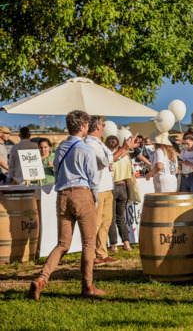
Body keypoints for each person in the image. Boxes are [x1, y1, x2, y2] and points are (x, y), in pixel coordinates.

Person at [28, 110, 103, 299]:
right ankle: (87, 286)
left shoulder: (60, 148)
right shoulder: (87, 149)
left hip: (62, 195)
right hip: (82, 193)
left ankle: (42, 278)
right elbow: (93, 179)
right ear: (83, 126)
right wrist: (94, 198)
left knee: (62, 244)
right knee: (88, 243)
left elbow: (58, 172)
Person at [85, 116, 133, 265]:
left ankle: (101, 253)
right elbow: (106, 161)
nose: (104, 127)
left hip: (107, 187)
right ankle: (91, 255)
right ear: (98, 127)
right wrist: (124, 148)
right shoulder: (89, 143)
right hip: (97, 188)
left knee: (106, 222)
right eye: (102, 124)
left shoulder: (99, 143)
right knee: (96, 223)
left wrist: (127, 148)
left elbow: (113, 158)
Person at [107, 135, 133, 253]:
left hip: (111, 186)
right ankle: (126, 243)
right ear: (118, 145)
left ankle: (114, 245)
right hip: (123, 186)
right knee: (120, 218)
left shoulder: (110, 157)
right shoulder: (125, 157)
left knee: (111, 218)